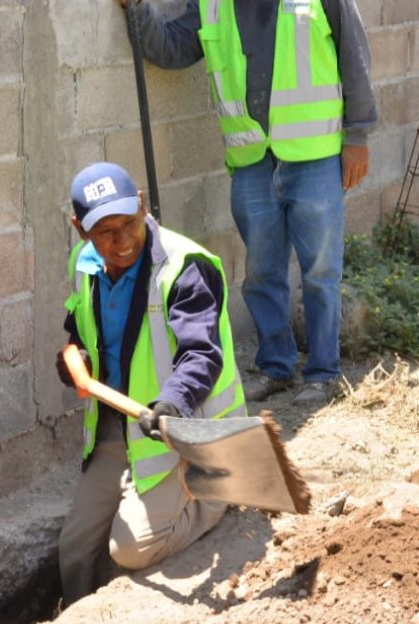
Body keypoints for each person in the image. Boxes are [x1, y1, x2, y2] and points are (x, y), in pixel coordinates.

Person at [118, 0, 377, 404]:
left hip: (314, 154)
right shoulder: (212, 4)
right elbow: (171, 48)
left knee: (320, 272)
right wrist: (137, 10)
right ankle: (276, 366)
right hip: (252, 159)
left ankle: (323, 373)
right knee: (260, 273)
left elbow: (354, 55)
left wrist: (357, 136)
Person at [55, 162, 247, 604]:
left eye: (129, 223)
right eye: (105, 232)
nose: (122, 242)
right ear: (80, 230)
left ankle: (212, 496)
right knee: (74, 550)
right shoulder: (84, 266)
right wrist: (76, 359)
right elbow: (79, 331)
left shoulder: (183, 268)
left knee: (130, 549)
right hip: (120, 433)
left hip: (182, 433)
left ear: (142, 204)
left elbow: (202, 354)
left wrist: (173, 403)